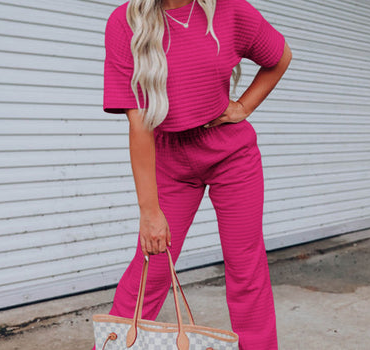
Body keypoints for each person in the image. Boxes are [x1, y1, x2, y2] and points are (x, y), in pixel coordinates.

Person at [94, 0, 292, 349]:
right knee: (150, 265)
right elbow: (139, 123)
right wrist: (149, 212)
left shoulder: (232, 10)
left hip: (232, 155)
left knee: (246, 269)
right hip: (169, 157)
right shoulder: (126, 21)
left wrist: (243, 106)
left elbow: (279, 57)